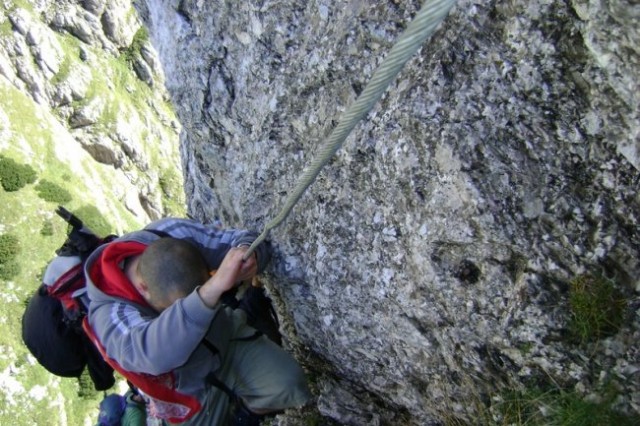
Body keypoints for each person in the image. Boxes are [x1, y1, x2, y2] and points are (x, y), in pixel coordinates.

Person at [84, 218, 311, 425]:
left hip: (224, 340)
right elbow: (151, 354)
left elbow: (244, 239)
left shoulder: (173, 233)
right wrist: (208, 293)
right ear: (143, 289)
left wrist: (250, 255)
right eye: (169, 309)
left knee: (289, 384)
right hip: (186, 391)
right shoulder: (109, 312)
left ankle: (244, 414)